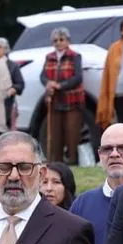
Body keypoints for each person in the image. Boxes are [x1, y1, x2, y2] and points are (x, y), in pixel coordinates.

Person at [41, 28, 85, 165]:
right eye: (55, 40)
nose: (58, 43)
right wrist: (48, 83)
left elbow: (78, 77)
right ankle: (56, 162)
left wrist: (60, 86)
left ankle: (72, 161)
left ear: (68, 41)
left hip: (72, 100)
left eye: (61, 40)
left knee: (72, 133)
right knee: (55, 134)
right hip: (54, 101)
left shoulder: (75, 56)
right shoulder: (49, 57)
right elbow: (42, 76)